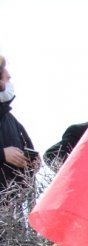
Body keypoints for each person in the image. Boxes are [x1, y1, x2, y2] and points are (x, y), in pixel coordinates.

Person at [0, 55, 39, 195]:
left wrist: (32, 163)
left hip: (11, 206)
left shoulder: (11, 120)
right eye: (7, 78)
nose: (10, 83)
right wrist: (2, 154)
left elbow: (28, 149)